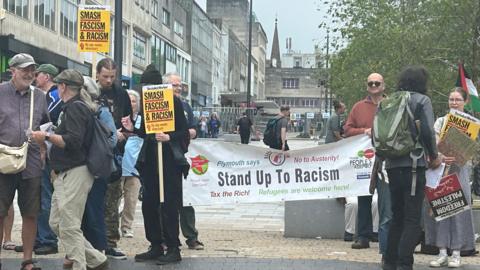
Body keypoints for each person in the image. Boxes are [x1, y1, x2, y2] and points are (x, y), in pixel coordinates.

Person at [126, 69, 189, 265]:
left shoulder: (174, 101)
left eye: (148, 86)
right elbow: (145, 131)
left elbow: (184, 131)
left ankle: (172, 247)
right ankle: (155, 243)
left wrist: (169, 137)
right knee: (149, 203)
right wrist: (133, 128)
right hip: (151, 159)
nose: (146, 90)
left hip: (169, 160)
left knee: (169, 204)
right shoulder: (146, 103)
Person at [382, 66, 441, 270]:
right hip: (414, 165)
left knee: (396, 215)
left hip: (391, 165)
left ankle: (388, 260)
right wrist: (434, 155)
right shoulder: (421, 101)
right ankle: (404, 263)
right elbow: (427, 132)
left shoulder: (388, 101)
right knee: (412, 218)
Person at [0, 53, 49, 270]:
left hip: (31, 164)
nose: (29, 74)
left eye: (32, 70)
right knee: (0, 212)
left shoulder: (39, 96)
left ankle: (27, 260)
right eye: (24, 69)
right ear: (12, 70)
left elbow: (46, 125)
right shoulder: (0, 92)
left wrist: (43, 145)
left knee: (31, 212)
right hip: (3, 162)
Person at [425, 87, 476, 268]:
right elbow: (433, 143)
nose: (454, 102)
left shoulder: (473, 123)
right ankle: (441, 252)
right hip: (441, 169)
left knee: (458, 209)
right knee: (441, 209)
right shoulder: (441, 121)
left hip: (460, 169)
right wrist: (441, 154)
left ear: (465, 101)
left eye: (457, 99)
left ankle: (456, 253)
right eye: (451, 99)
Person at [344, 73, 391, 260]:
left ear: (383, 85)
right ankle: (362, 236)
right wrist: (364, 131)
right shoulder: (358, 107)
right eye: (370, 82)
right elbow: (347, 130)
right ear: (367, 85)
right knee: (364, 197)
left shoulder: (392, 105)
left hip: (387, 159)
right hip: (364, 161)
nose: (373, 85)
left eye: (377, 83)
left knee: (385, 200)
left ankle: (384, 236)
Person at [163, 72, 204, 250]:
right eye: (174, 85)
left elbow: (193, 127)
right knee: (165, 200)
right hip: (167, 158)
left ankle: (191, 236)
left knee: (186, 198)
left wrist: (192, 131)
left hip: (184, 157)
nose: (178, 88)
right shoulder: (162, 105)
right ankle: (167, 237)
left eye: (179, 85)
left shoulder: (185, 106)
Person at [96, 57, 132, 259]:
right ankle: (93, 241)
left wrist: (123, 134)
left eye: (112, 76)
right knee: (93, 201)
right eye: (105, 76)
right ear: (98, 74)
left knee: (112, 200)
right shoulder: (92, 91)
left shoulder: (121, 94)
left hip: (115, 153)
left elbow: (129, 123)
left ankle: (110, 242)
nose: (108, 80)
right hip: (93, 153)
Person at [79, 76, 117, 255]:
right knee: (83, 211)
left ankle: (98, 249)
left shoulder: (101, 111)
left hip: (96, 169)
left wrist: (95, 152)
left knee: (94, 210)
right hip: (81, 168)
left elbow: (113, 139)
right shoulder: (78, 109)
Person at [32, 63, 60, 255]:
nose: (35, 77)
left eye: (38, 74)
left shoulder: (53, 96)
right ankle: (37, 237)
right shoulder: (44, 95)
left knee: (45, 195)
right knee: (35, 195)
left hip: (48, 151)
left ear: (47, 77)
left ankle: (47, 238)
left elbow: (47, 122)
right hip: (40, 150)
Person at [119, 90, 143, 238]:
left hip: (135, 166)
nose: (131, 103)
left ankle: (127, 226)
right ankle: (112, 226)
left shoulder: (142, 120)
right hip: (119, 164)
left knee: (131, 199)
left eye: (134, 101)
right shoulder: (119, 118)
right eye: (128, 100)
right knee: (115, 198)